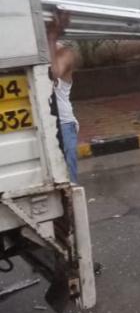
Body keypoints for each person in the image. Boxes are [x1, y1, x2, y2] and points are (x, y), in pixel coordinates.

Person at [46, 10, 79, 183]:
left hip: (63, 124)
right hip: (41, 124)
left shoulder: (64, 52)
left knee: (67, 181)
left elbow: (53, 73)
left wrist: (51, 38)